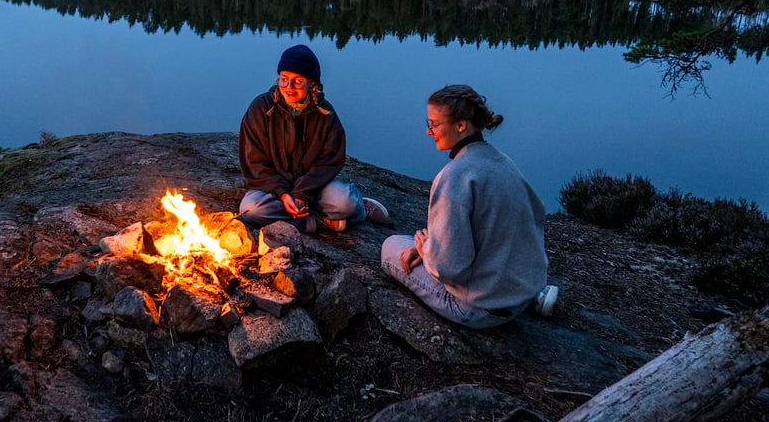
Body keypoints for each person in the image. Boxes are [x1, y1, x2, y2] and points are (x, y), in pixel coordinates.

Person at [381, 84, 558, 328]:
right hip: (521, 294)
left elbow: (449, 269)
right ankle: (529, 297)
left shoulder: (454, 176)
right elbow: (531, 216)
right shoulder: (502, 162)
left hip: (477, 308)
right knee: (423, 245)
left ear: (461, 125)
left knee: (391, 247)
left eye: (433, 124)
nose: (428, 132)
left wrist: (427, 250)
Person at [238, 44, 389, 233]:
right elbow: (254, 163)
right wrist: (283, 194)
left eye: (298, 81)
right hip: (273, 189)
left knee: (345, 202)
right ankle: (320, 221)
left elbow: (329, 161)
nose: (289, 87)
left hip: (314, 188)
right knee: (251, 210)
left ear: (312, 84)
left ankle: (360, 209)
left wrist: (302, 194)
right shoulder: (261, 108)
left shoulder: (325, 114)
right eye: (284, 79)